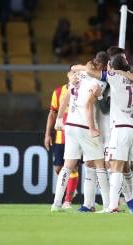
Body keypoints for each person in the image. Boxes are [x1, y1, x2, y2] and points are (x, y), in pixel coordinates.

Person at [85, 55, 133, 213]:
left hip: (121, 128)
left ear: (112, 66)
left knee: (116, 168)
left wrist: (86, 65)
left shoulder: (114, 76)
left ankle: (112, 206)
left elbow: (90, 71)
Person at [51, 52, 109, 212]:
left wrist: (59, 120)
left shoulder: (79, 75)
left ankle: (56, 204)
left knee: (67, 166)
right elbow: (89, 104)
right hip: (84, 126)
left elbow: (65, 99)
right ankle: (108, 206)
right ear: (104, 66)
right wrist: (92, 127)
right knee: (99, 164)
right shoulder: (100, 81)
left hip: (69, 125)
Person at [44, 83, 79, 209]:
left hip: (76, 135)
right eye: (73, 73)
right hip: (61, 136)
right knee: (58, 168)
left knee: (73, 167)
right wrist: (47, 134)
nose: (75, 76)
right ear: (68, 75)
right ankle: (71, 187)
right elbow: (52, 113)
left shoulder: (83, 88)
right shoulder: (59, 92)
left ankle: (67, 201)